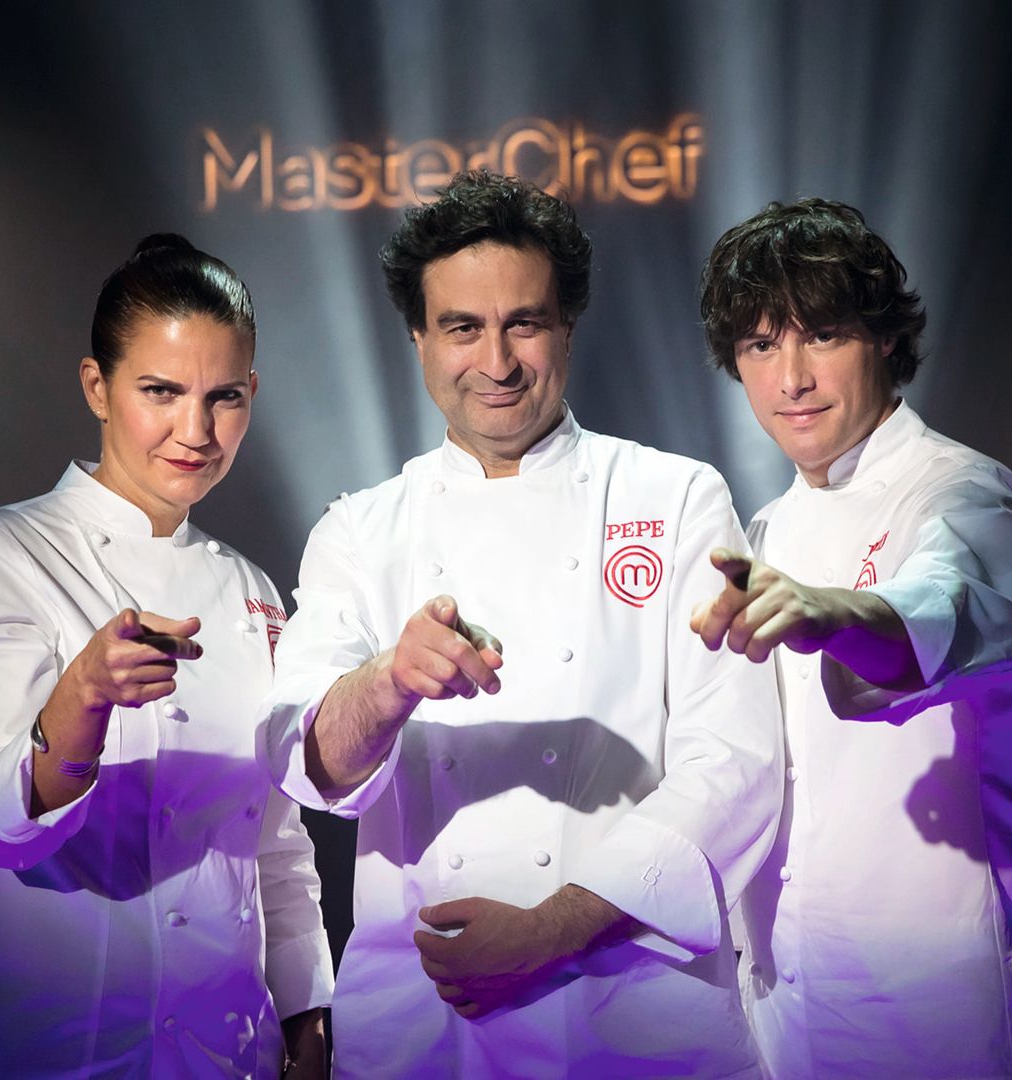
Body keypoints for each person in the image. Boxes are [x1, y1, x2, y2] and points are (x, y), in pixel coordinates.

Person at [260, 170, 783, 1078]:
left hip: (635, 1006)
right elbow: (304, 763)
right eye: (462, 327)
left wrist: (552, 927)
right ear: (419, 340)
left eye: (524, 324)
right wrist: (388, 682)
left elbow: (734, 763)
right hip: (427, 1014)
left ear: (567, 329)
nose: (496, 362)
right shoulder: (360, 530)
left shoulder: (673, 496)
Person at [0, 235, 334, 1078]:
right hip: (46, 1046)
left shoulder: (254, 590)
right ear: (97, 388)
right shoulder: (5, 552)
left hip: (228, 1047)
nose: (196, 430)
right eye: (161, 391)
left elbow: (275, 837)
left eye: (224, 397)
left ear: (253, 393)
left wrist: (306, 1011)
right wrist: (81, 695)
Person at [691, 198, 1012, 1078]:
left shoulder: (962, 495)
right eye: (760, 346)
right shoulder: (764, 529)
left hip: (931, 994)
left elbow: (936, 610)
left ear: (883, 341)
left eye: (821, 335)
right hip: (778, 988)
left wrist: (830, 613)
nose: (790, 377)